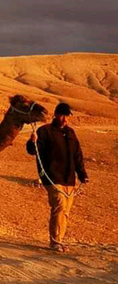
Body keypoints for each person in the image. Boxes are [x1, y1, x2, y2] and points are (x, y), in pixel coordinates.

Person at [26, 103, 89, 252]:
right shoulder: (44, 131)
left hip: (69, 178)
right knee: (59, 205)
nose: (64, 119)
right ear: (56, 114)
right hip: (51, 175)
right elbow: (32, 151)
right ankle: (55, 241)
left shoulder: (71, 133)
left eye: (67, 116)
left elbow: (77, 156)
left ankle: (59, 240)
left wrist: (82, 174)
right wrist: (32, 142)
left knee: (66, 210)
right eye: (62, 115)